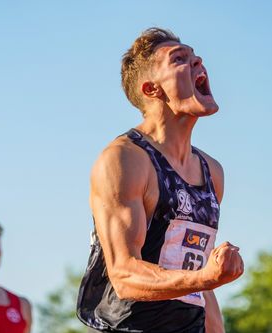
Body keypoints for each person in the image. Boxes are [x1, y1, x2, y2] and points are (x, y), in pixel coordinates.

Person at [76, 28, 244, 333]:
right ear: (152, 89)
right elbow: (125, 275)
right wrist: (206, 276)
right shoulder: (124, 159)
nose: (198, 63)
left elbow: (200, 288)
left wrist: (208, 285)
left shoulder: (211, 171)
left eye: (196, 57)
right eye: (180, 59)